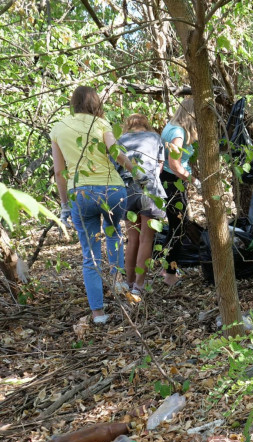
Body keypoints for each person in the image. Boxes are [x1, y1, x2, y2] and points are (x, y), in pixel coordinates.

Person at [50, 86, 134, 324]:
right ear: (95, 103)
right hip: (112, 190)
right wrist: (136, 171)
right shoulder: (101, 124)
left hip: (82, 193)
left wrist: (65, 204)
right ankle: (118, 285)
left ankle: (98, 314)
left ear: (72, 103)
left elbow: (59, 172)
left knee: (90, 255)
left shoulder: (58, 127)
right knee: (115, 232)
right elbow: (116, 153)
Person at [118, 114, 165, 297]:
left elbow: (117, 166)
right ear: (146, 124)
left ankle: (129, 282)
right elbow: (159, 167)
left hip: (127, 190)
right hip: (150, 188)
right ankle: (139, 285)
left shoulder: (119, 140)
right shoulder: (154, 137)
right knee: (146, 239)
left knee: (133, 238)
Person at [159, 98, 200, 287]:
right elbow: (174, 165)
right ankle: (169, 274)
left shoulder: (172, 126)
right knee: (178, 228)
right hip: (172, 182)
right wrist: (194, 181)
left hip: (171, 182)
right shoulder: (178, 133)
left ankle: (167, 267)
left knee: (177, 226)